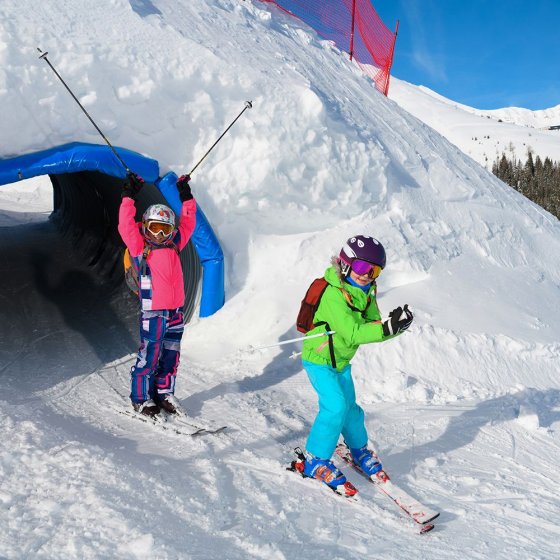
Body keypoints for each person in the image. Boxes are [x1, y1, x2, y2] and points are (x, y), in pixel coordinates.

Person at [297, 235, 413, 496]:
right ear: (346, 265)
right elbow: (352, 332)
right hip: (319, 359)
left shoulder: (366, 290)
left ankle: (359, 449)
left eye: (375, 271)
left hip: (341, 361)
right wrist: (385, 328)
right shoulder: (333, 294)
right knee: (335, 406)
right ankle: (315, 459)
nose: (367, 275)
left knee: (351, 409)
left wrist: (394, 326)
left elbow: (372, 324)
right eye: (362, 268)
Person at [117, 172, 196, 417]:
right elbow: (124, 225)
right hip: (153, 311)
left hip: (176, 310)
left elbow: (189, 223)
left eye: (165, 230)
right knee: (149, 354)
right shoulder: (141, 246)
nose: (160, 235)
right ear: (146, 227)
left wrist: (186, 197)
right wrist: (129, 196)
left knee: (171, 356)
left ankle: (164, 393)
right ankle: (141, 398)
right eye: (155, 229)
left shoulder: (175, 243)